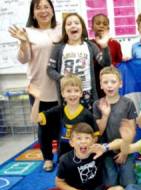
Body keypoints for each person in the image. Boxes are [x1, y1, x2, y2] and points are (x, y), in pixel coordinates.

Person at [8, 0, 61, 171]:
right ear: (33, 13)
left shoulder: (60, 28)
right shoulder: (28, 32)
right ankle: (47, 158)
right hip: (38, 86)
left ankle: (64, 155)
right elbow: (23, 59)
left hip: (61, 85)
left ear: (52, 10)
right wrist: (24, 42)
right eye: (38, 8)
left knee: (63, 122)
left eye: (47, 7)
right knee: (43, 124)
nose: (43, 11)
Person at [54, 123, 124, 190]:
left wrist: (105, 148)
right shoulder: (65, 160)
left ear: (94, 140)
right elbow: (59, 182)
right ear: (71, 143)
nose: (83, 141)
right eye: (79, 138)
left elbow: (121, 142)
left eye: (87, 138)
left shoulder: (97, 152)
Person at [48, 13, 111, 110]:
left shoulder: (90, 46)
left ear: (82, 27)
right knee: (70, 122)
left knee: (87, 123)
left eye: (76, 23)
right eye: (69, 24)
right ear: (65, 29)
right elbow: (50, 70)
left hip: (86, 92)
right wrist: (61, 78)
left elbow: (105, 64)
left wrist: (104, 47)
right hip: (68, 93)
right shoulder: (59, 47)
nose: (73, 25)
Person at [29, 75, 99, 161]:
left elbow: (95, 136)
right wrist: (37, 99)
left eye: (76, 91)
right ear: (62, 94)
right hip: (63, 158)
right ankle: (48, 159)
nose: (72, 94)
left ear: (81, 93)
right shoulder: (58, 111)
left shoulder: (87, 114)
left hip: (82, 158)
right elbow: (35, 119)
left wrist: (87, 150)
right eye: (68, 91)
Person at [93, 66, 137, 187]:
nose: (109, 85)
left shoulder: (128, 103)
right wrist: (105, 115)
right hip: (105, 150)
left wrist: (124, 151)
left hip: (125, 147)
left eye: (113, 82)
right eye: (105, 82)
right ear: (101, 85)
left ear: (120, 84)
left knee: (129, 184)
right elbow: (99, 132)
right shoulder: (97, 104)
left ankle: (128, 169)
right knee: (110, 184)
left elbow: (132, 131)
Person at [91, 13, 123, 98]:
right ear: (92, 27)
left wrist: (114, 65)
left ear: (108, 27)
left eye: (105, 24)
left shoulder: (115, 44)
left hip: (110, 82)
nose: (101, 26)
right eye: (98, 23)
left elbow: (119, 63)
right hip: (95, 82)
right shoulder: (89, 44)